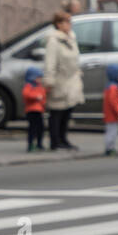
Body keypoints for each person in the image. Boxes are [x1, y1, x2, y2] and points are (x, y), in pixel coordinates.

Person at [43, 10, 83, 151]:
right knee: (56, 112)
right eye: (66, 22)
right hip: (59, 80)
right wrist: (49, 81)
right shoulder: (53, 41)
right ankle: (55, 141)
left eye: (69, 22)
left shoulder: (71, 38)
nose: (69, 25)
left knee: (67, 111)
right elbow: (50, 63)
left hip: (71, 80)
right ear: (58, 24)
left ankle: (63, 138)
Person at [102, 63, 118, 156]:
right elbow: (113, 102)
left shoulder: (114, 86)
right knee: (112, 132)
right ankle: (109, 149)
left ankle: (111, 148)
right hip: (112, 115)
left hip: (113, 115)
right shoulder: (113, 87)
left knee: (114, 132)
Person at [22, 66, 47, 152]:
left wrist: (43, 102)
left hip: (39, 110)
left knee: (41, 128)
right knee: (32, 128)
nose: (40, 79)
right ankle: (30, 145)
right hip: (31, 111)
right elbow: (26, 94)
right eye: (38, 77)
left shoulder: (40, 86)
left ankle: (39, 144)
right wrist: (36, 97)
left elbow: (43, 95)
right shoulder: (29, 86)